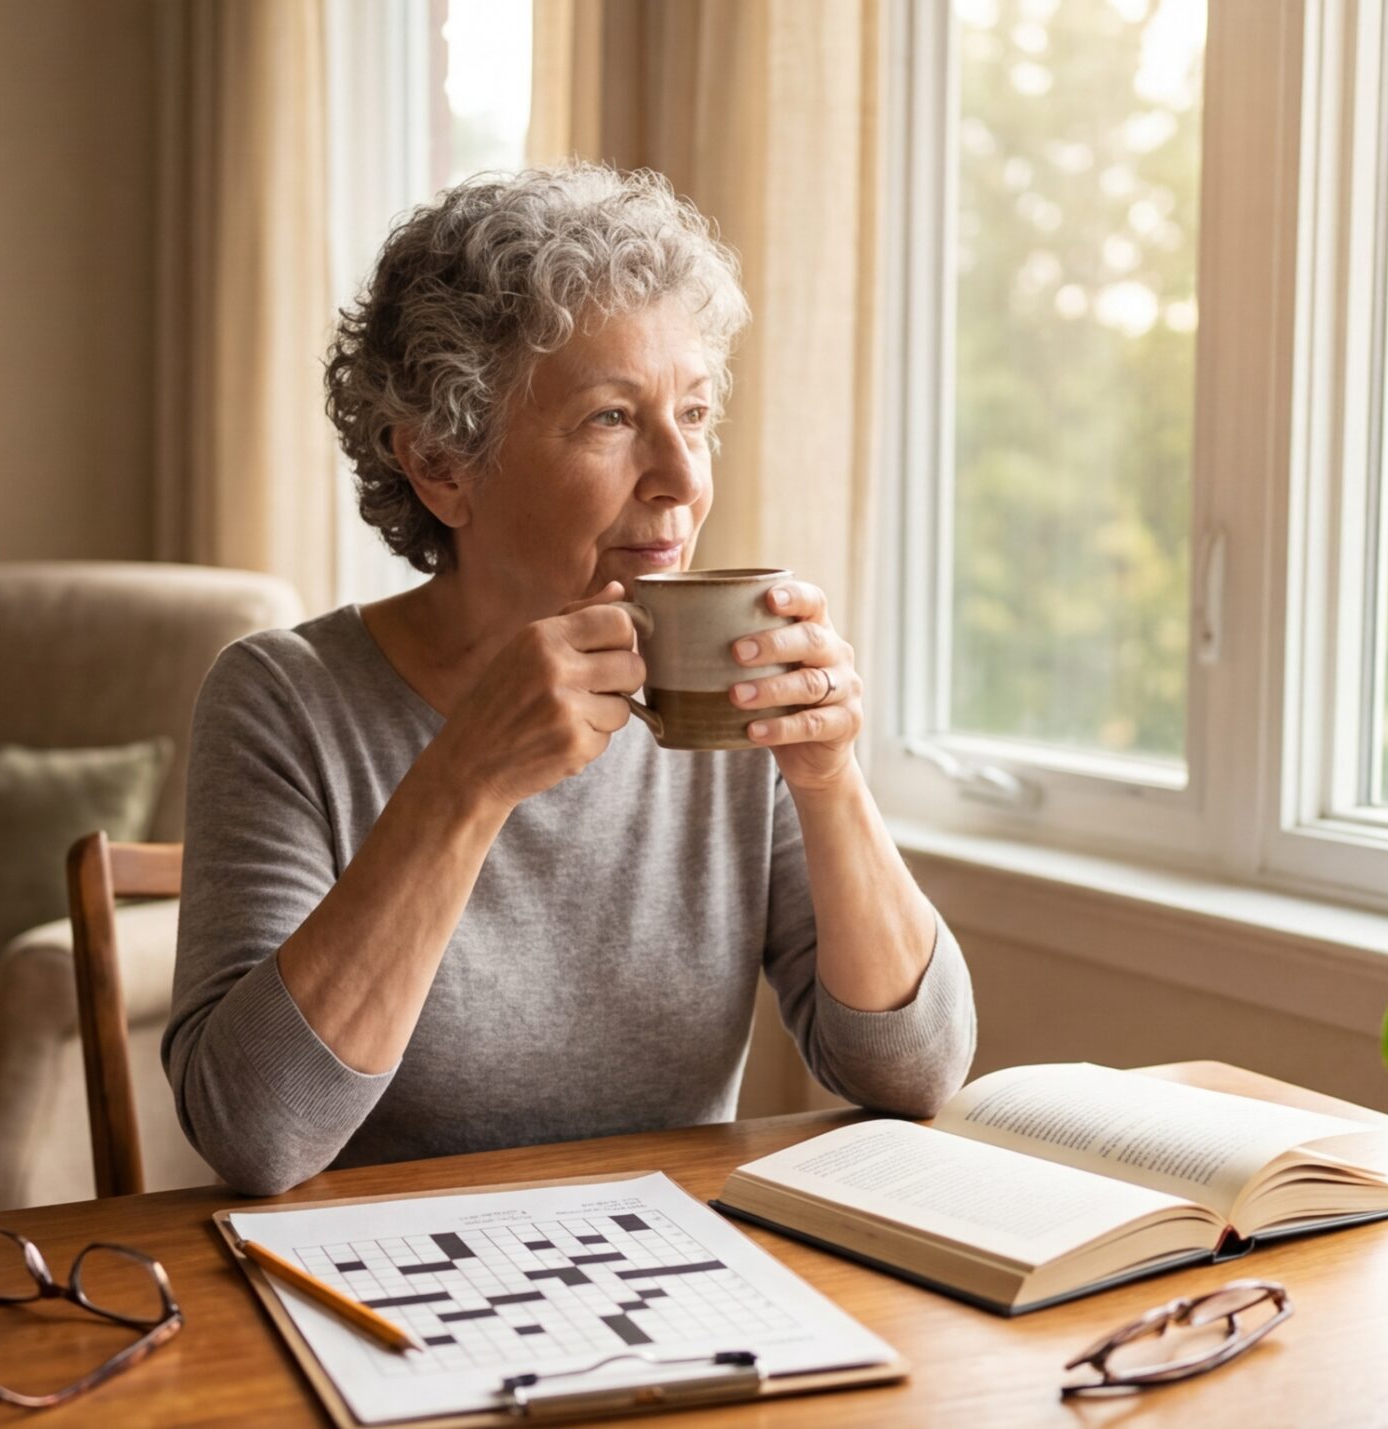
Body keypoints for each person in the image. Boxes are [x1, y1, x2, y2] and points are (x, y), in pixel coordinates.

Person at [163, 165, 976, 1197]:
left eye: (694, 411)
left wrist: (828, 780)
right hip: (378, 1293)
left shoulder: (718, 700)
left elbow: (912, 1074)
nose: (682, 478)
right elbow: (256, 1132)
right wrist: (465, 780)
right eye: (610, 419)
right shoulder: (285, 699)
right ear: (441, 464)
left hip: (671, 1280)